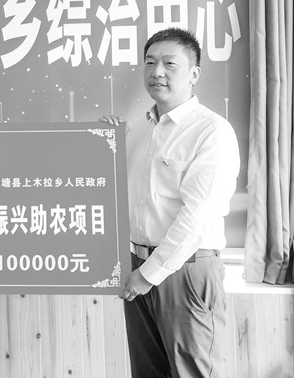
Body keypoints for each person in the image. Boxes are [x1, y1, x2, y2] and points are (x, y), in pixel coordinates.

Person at [101, 27, 240, 378]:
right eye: (149, 63)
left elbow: (197, 217)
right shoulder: (137, 130)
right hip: (137, 266)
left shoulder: (212, 132)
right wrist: (102, 143)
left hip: (185, 270)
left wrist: (148, 275)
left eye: (169, 63)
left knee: (191, 372)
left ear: (194, 74)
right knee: (148, 372)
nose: (157, 72)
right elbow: (113, 195)